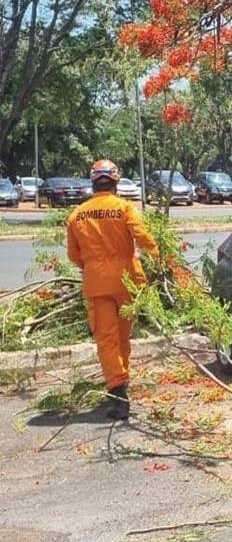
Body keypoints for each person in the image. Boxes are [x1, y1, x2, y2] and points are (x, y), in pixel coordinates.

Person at [66, 159, 159, 420]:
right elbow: (144, 239)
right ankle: (121, 380)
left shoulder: (76, 215)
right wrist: (160, 258)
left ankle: (118, 392)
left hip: (97, 284)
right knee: (122, 337)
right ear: (115, 182)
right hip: (127, 282)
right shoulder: (124, 208)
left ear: (93, 183)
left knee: (106, 340)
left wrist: (94, 264)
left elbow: (74, 256)